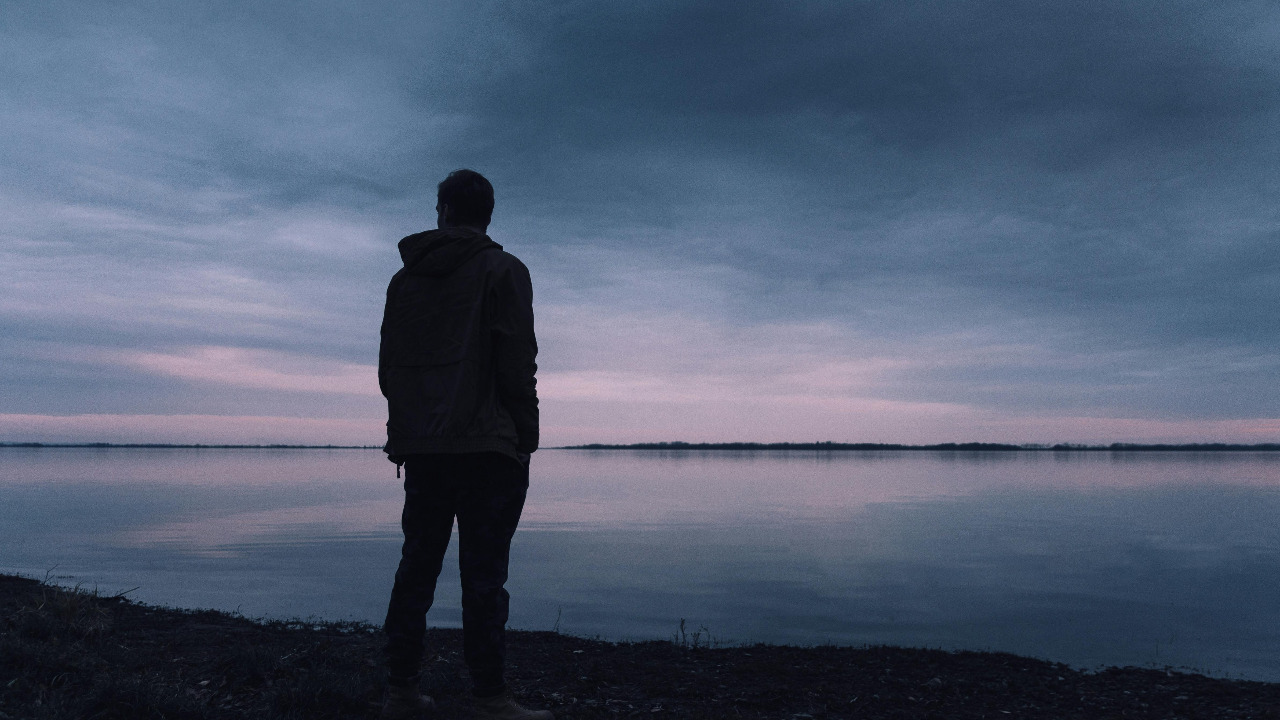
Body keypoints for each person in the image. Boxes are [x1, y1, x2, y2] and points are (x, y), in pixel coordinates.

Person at [379, 169, 551, 720]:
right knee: (484, 577)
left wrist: (407, 431)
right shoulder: (504, 270)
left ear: (444, 211)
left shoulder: (404, 282)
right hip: (488, 450)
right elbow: (517, 362)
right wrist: (526, 437)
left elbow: (390, 369)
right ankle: (490, 700)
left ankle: (401, 694)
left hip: (426, 448)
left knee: (416, 568)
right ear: (487, 215)